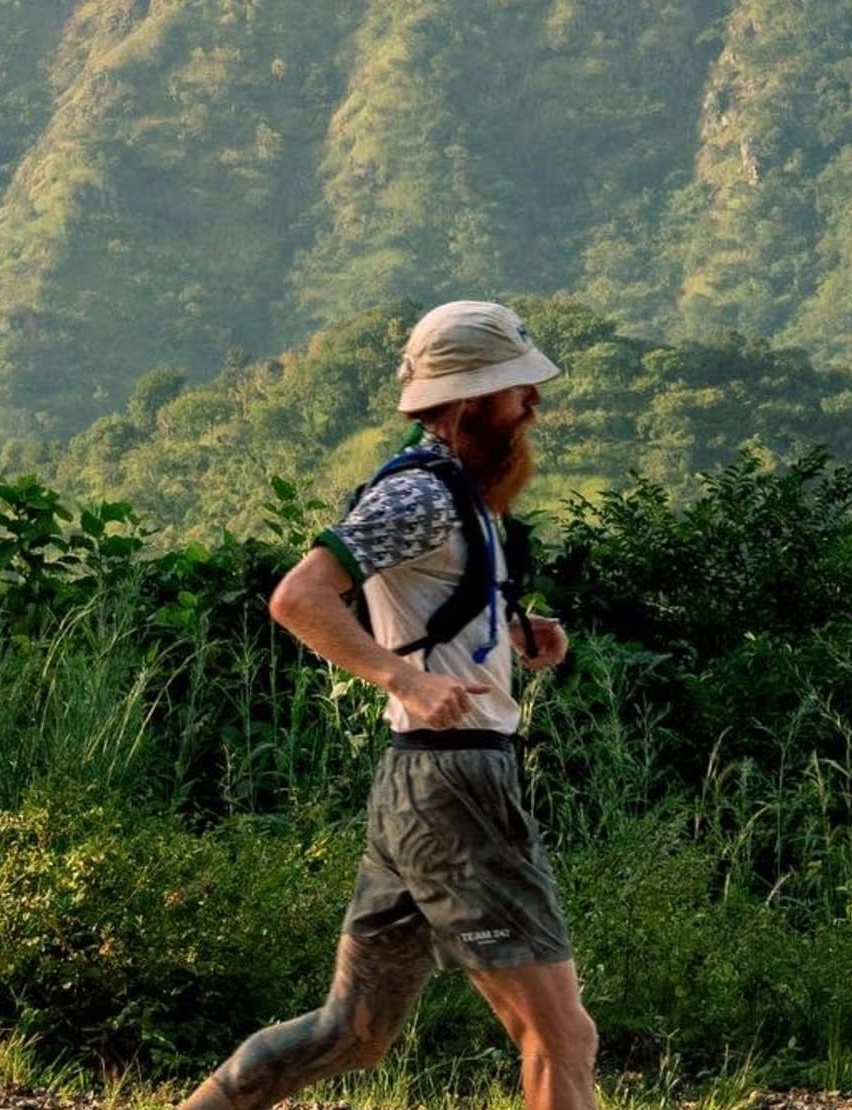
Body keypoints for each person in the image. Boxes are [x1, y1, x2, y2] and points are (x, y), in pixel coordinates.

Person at [177, 301, 597, 1110]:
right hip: (456, 788)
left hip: (420, 790)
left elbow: (428, 610)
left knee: (351, 1034)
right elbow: (299, 598)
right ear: (471, 401)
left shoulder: (465, 496)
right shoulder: (424, 497)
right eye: (516, 391)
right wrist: (404, 682)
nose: (531, 405)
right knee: (562, 1035)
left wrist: (517, 630)